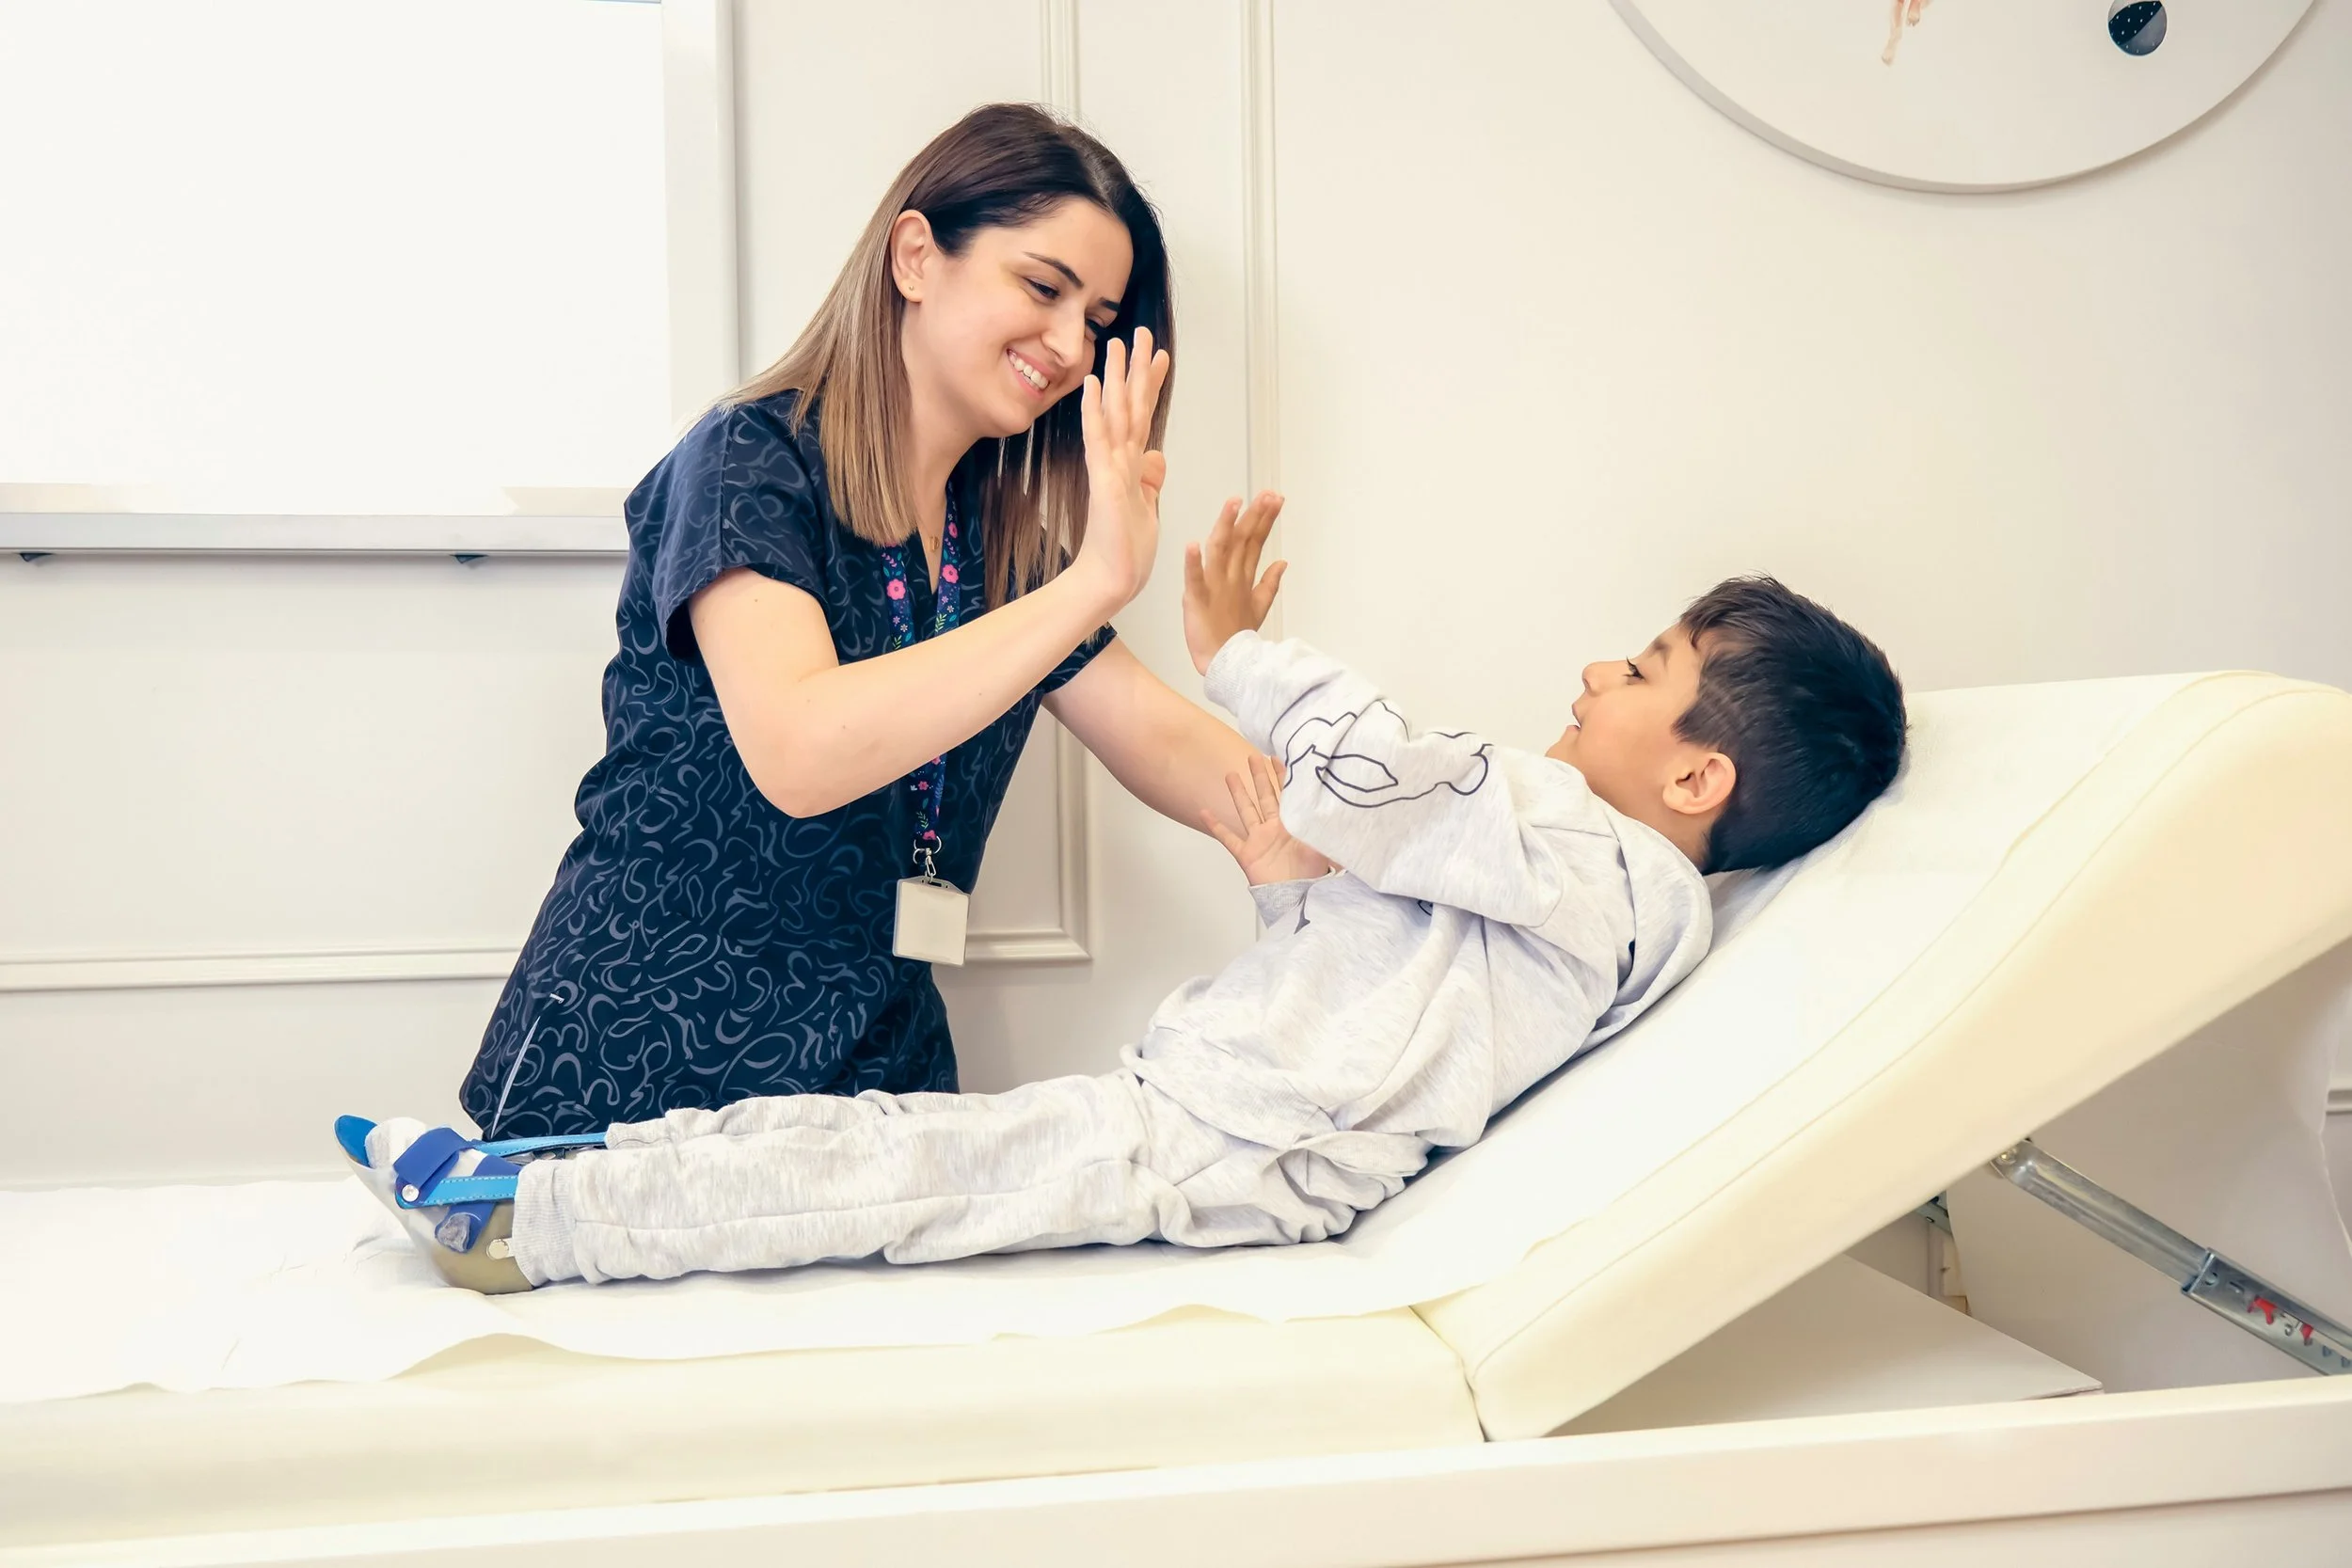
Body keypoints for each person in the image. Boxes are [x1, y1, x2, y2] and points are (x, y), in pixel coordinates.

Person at [344, 537, 1907, 1293]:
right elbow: (1401, 990)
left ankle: (526, 1226)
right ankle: (544, 1173)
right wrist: (1298, 899)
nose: (1591, 674)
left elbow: (1391, 780)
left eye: (1639, 671)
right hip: (1220, 1113)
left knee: (887, 1174)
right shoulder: (1579, 883)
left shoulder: (1609, 865)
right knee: (857, 1142)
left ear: (1699, 775)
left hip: (1245, 1148)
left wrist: (1248, 651)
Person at [458, 103, 1283, 1139]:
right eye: (1042, 287)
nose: (1073, 345)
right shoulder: (746, 460)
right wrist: (1094, 581)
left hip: (871, 1091)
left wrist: (1475, 818)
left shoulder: (1009, 547)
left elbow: (1202, 768)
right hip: (635, 1080)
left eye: (1102, 323)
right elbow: (800, 750)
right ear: (914, 256)